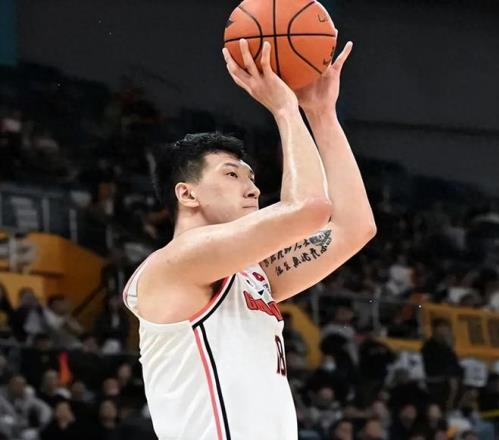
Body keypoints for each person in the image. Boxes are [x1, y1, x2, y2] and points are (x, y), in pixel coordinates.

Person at [123, 37, 376, 439]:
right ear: (187, 194)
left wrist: (322, 114)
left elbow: (354, 228)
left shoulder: (252, 276)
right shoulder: (177, 263)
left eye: (252, 177)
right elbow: (309, 208)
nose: (253, 188)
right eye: (231, 175)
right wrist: (285, 107)